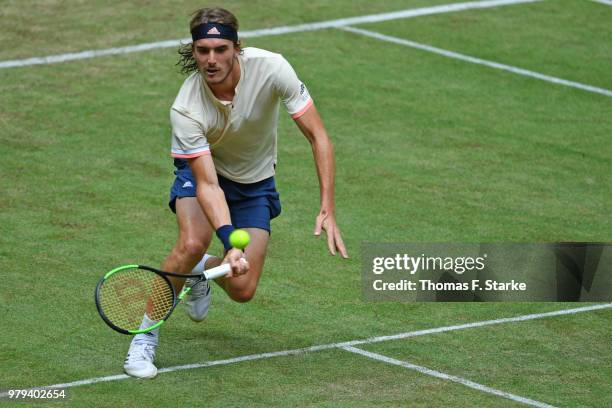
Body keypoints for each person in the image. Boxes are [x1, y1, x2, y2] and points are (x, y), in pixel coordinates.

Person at [123, 7, 349, 379]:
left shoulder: (274, 68)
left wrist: (327, 206)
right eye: (203, 50)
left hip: (255, 180)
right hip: (204, 172)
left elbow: (318, 136)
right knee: (191, 242)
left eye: (221, 49)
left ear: (236, 48)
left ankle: (199, 273)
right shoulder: (186, 108)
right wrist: (229, 239)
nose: (211, 60)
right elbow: (208, 185)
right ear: (193, 51)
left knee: (243, 289)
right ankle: (144, 339)